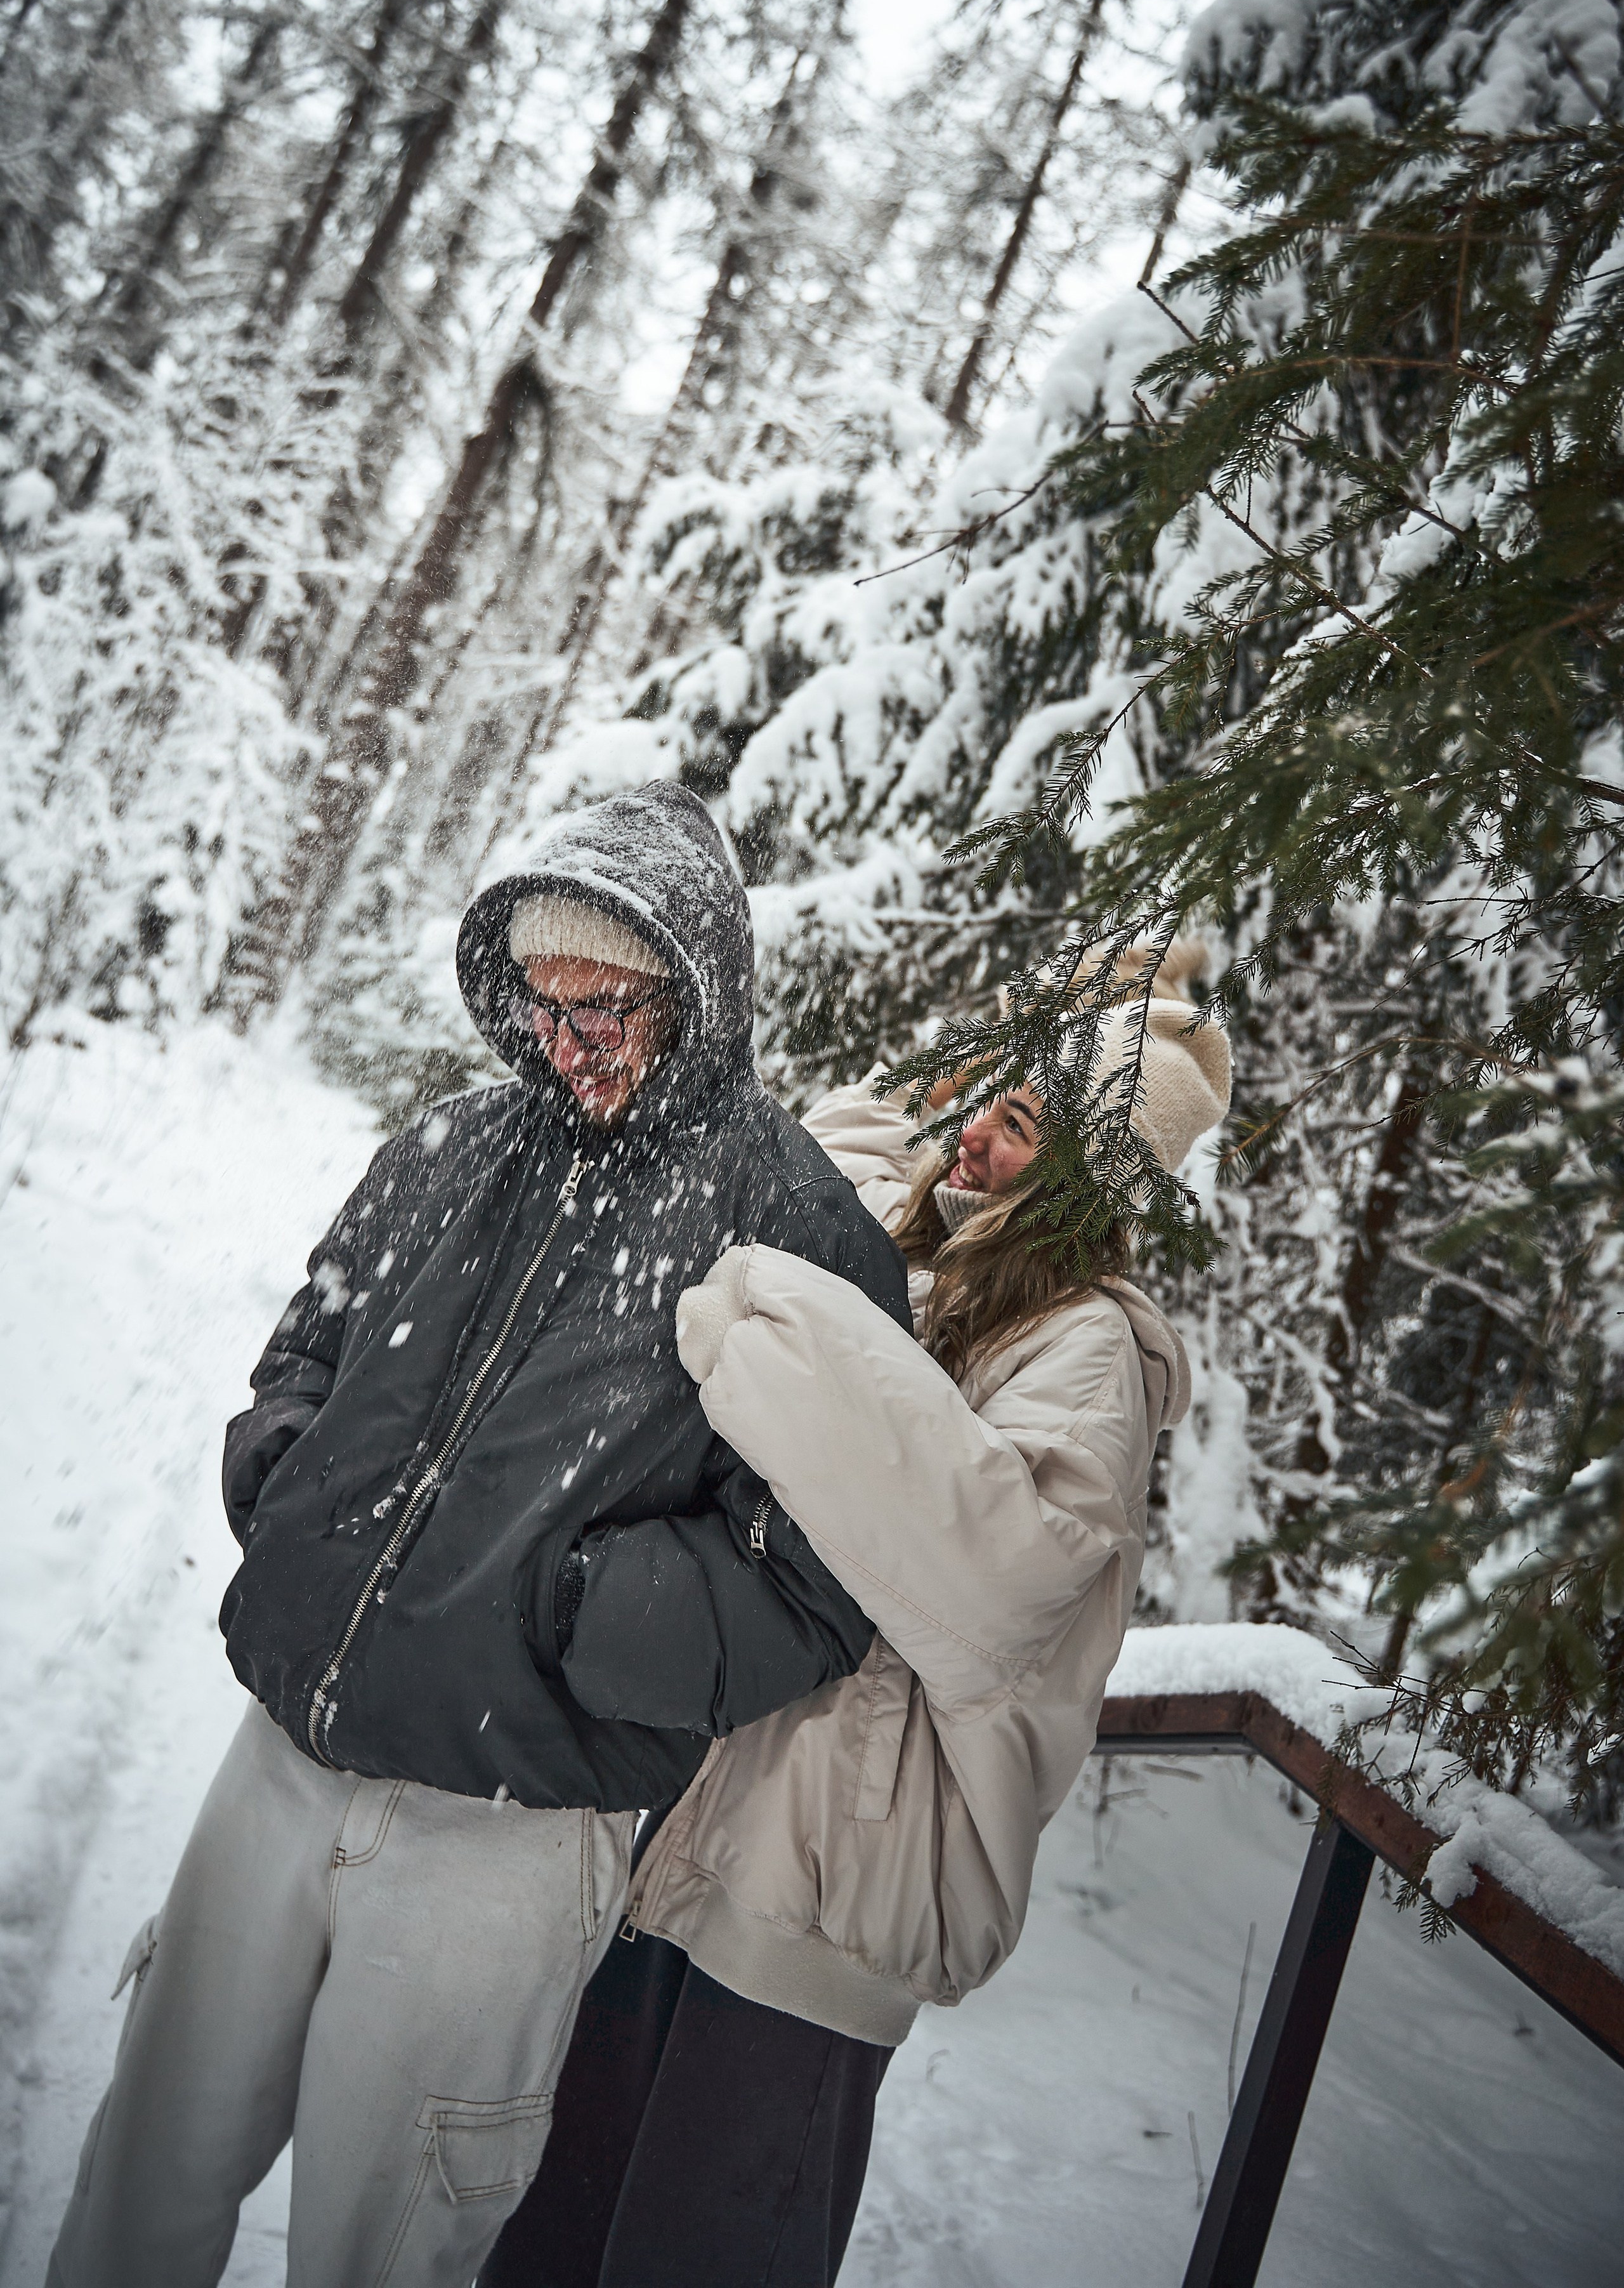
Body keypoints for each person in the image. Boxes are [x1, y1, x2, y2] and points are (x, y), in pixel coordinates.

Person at [49, 780, 909, 2288]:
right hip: (276, 1772)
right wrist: (284, 1481)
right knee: (142, 2186)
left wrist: (578, 1614)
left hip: (504, 1838)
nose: (568, 1041)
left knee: (384, 2248)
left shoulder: (795, 1228)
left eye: (611, 1009)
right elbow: (304, 1348)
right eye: (545, 1001)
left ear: (694, 996)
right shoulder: (449, 1142)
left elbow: (823, 1573)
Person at [483, 953, 1229, 2288]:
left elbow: (988, 1580)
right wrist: (930, 1085)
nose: (980, 1139)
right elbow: (811, 1180)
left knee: (699, 2253)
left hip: (829, 1900)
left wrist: (773, 1352)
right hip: (699, 1839)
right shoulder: (931, 1271)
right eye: (986, 1106)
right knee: (551, 2233)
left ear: (1087, 1185)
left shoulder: (1083, 1357)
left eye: (1022, 1129)